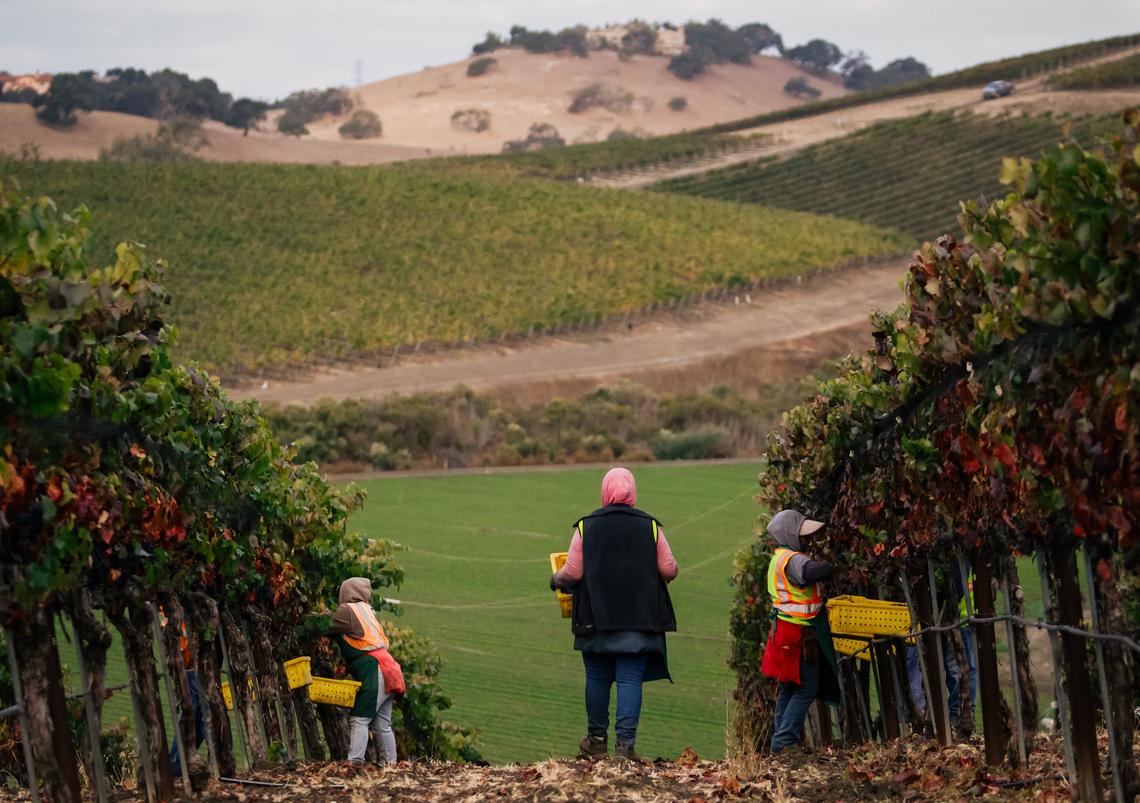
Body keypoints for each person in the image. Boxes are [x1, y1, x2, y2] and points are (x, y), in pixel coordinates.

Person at [551, 467, 678, 762]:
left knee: (596, 678)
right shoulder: (651, 527)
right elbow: (669, 569)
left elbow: (573, 571)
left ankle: (596, 742)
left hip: (595, 618)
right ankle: (625, 748)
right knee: (629, 679)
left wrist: (556, 579)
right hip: (640, 619)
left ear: (605, 492)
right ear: (632, 492)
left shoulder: (586, 526)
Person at [759, 509, 841, 754]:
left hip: (784, 632)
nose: (808, 539)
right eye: (803, 534)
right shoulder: (792, 559)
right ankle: (784, 741)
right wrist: (837, 563)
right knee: (807, 686)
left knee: (790, 686)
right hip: (798, 633)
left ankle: (780, 741)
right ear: (790, 534)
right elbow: (810, 573)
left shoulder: (778, 558)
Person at [328, 577, 406, 765]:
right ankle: (390, 766)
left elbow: (324, 624)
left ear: (347, 593)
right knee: (382, 724)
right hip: (390, 668)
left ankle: (355, 762)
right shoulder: (367, 611)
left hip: (375, 669)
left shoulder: (348, 610)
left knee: (359, 717)